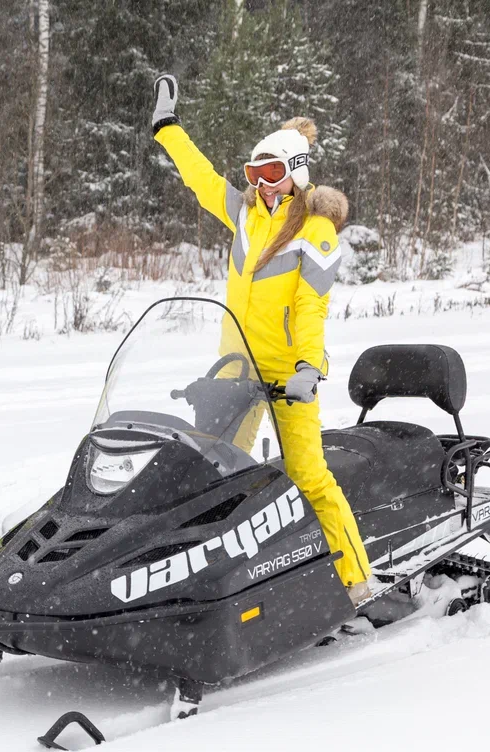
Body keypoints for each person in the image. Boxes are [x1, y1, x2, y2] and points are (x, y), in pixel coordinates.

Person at [151, 74, 372, 605]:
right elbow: (201, 178)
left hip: (288, 375)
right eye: (254, 173)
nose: (263, 183)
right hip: (236, 367)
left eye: (272, 172)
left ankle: (357, 581)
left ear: (296, 173)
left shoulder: (315, 230)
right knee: (211, 473)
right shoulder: (245, 215)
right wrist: (167, 128)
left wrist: (308, 368)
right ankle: (202, 586)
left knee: (308, 475)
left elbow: (311, 306)